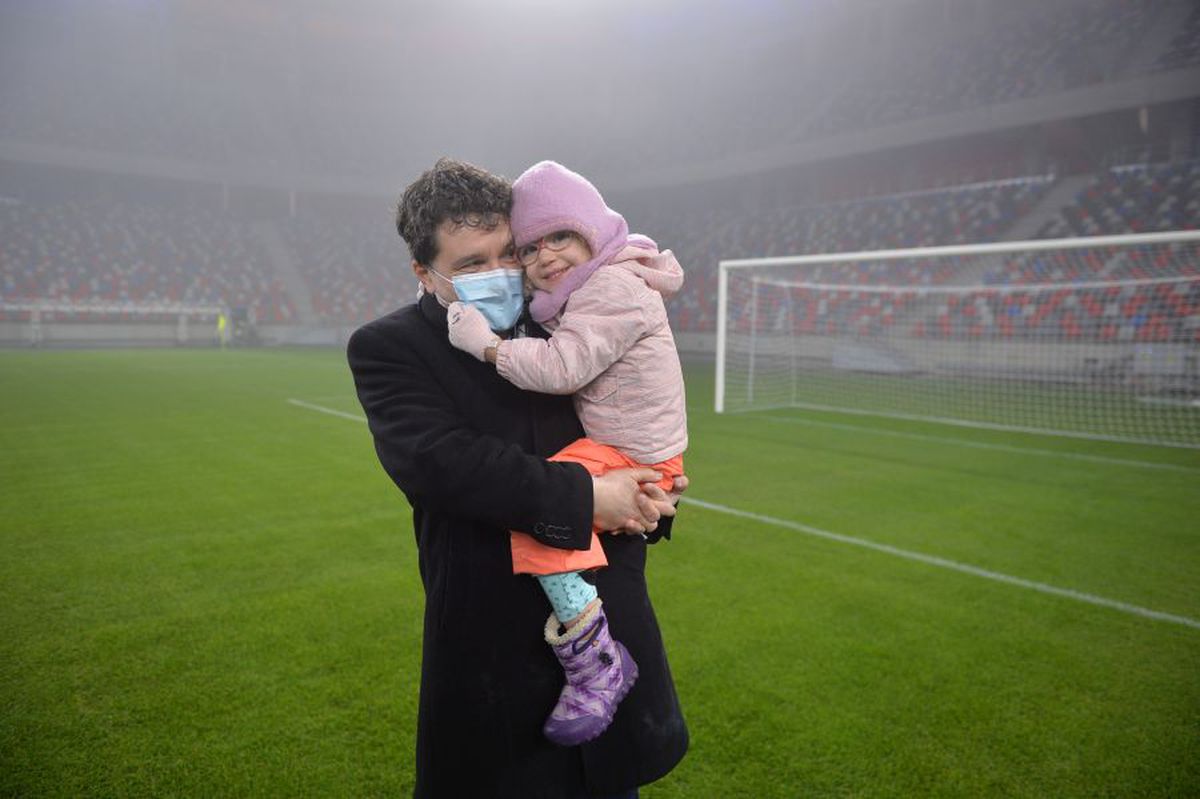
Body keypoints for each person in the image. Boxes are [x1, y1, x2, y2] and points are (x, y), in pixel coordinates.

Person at [346, 158, 688, 798]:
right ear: (424, 271)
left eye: (509, 252)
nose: (503, 271)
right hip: (495, 649)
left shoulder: (564, 313)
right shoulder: (389, 347)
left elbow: (633, 409)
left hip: (612, 624)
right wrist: (590, 498)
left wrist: (650, 493)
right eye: (473, 263)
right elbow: (444, 465)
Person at [445, 160, 686, 749]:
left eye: (559, 236)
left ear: (592, 232)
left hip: (629, 458)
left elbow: (562, 368)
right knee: (553, 504)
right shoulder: (588, 286)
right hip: (626, 452)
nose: (544, 257)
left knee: (544, 517)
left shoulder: (610, 288)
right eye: (529, 248)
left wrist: (488, 347)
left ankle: (595, 658)